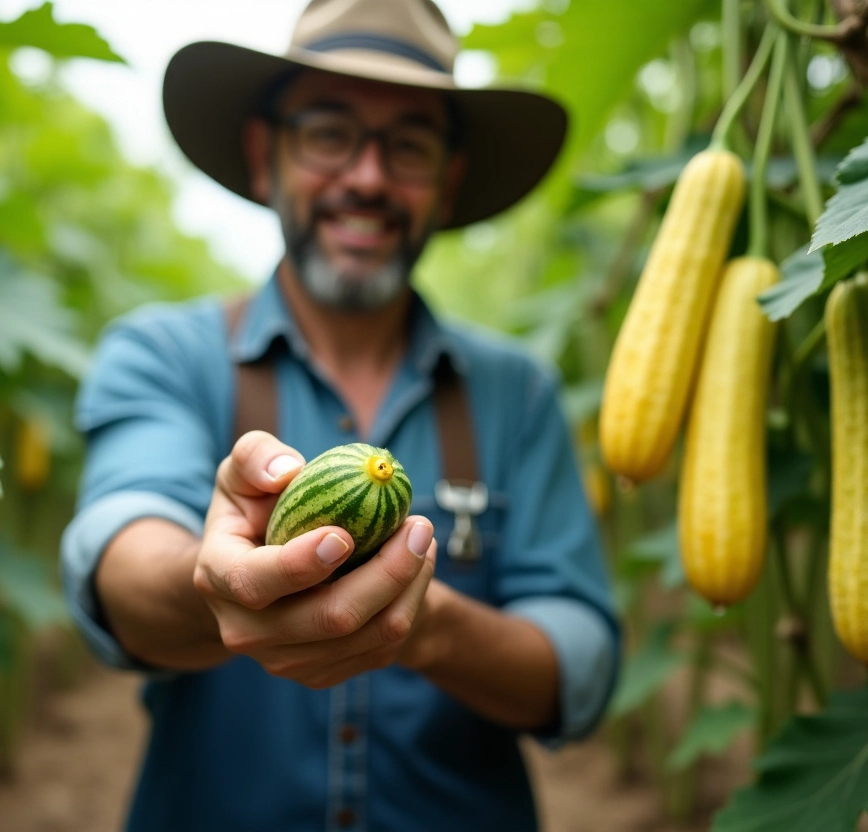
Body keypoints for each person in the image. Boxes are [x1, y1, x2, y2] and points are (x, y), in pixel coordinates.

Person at [61, 0, 620, 829]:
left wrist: (426, 627)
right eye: (329, 132)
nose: (366, 177)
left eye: (408, 146)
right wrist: (214, 582)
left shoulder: (520, 392)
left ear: (448, 179)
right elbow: (118, 547)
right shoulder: (164, 354)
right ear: (265, 155)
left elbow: (583, 663)